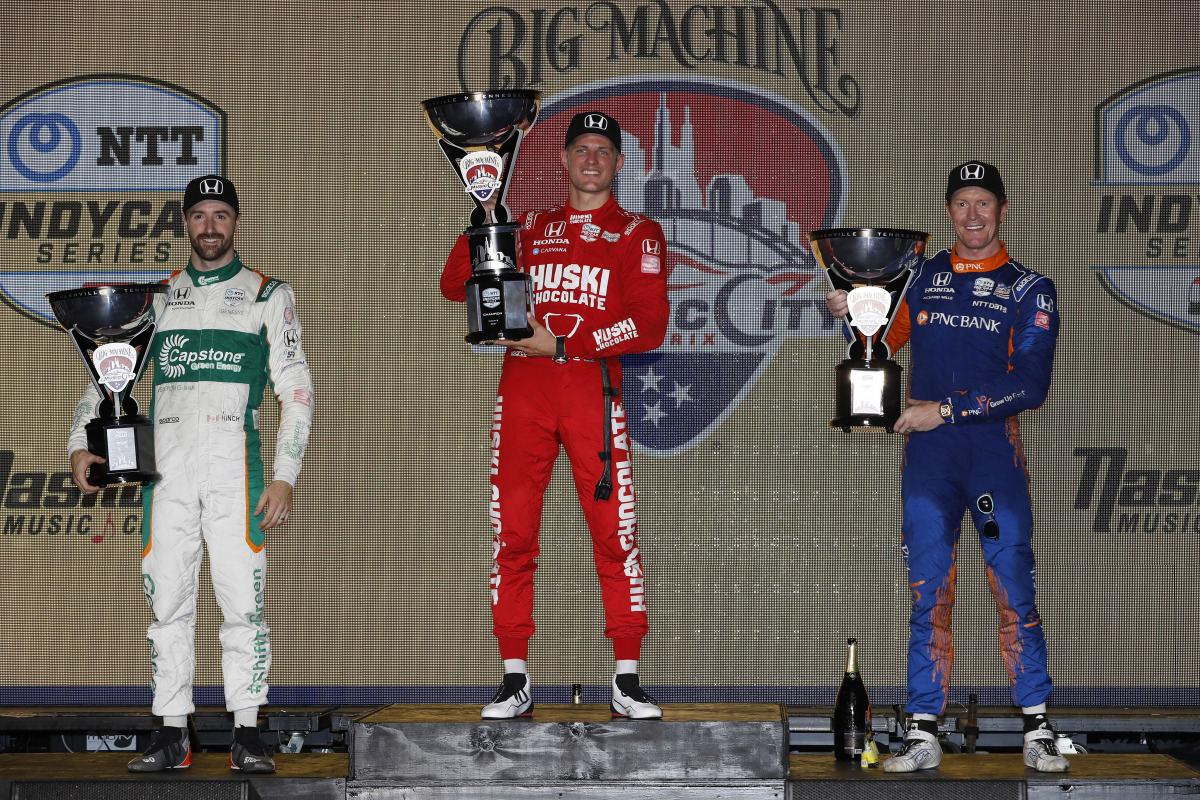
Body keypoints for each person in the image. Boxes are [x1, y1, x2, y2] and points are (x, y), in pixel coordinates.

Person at [825, 161, 1067, 772]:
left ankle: (1038, 728)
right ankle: (923, 730)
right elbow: (881, 342)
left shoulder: (1029, 287)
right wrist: (854, 317)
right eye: (962, 204)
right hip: (928, 462)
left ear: (1003, 211)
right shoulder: (922, 276)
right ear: (949, 213)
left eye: (984, 203)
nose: (973, 214)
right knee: (927, 593)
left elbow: (1031, 386)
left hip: (992, 460)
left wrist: (946, 410)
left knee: (1011, 584)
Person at [68, 174, 314, 773]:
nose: (210, 226)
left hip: (240, 473)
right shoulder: (154, 299)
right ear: (185, 223)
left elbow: (299, 392)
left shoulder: (267, 294)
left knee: (243, 609)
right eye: (199, 215)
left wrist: (285, 475)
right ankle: (171, 733)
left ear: (236, 222)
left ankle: (248, 733)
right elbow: (106, 377)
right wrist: (81, 442)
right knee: (167, 606)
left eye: (221, 215)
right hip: (166, 476)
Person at [441, 111, 669, 720]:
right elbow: (453, 283)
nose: (591, 159)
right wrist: (485, 221)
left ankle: (626, 678)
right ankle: (514, 677)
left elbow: (648, 325)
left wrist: (564, 345)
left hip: (592, 392)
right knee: (511, 533)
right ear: (563, 162)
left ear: (619, 163)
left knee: (614, 536)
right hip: (524, 394)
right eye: (580, 149)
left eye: (603, 150)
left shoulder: (639, 233)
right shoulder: (532, 225)